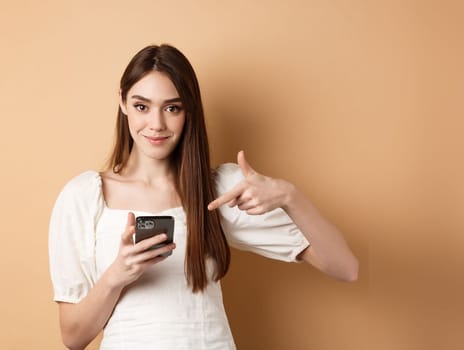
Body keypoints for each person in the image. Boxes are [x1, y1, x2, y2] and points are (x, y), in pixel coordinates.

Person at [48, 44, 358, 350]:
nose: (156, 124)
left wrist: (290, 196)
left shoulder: (219, 191)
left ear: (189, 111)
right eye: (142, 106)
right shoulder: (84, 196)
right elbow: (73, 338)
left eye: (172, 108)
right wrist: (116, 275)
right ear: (123, 102)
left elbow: (346, 268)